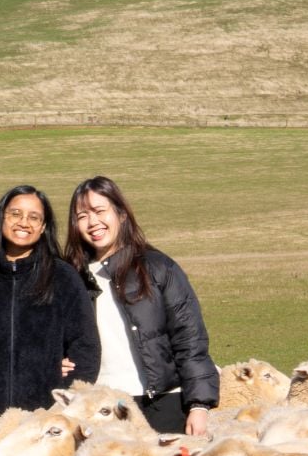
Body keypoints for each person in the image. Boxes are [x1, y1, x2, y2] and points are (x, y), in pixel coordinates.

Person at [0, 185, 102, 442]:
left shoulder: (63, 278)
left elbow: (86, 346)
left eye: (34, 217)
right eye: (15, 214)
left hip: (45, 427)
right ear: (1, 218)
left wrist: (66, 400)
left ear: (43, 226)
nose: (24, 222)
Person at [63, 175, 219, 436]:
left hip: (163, 403)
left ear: (121, 214)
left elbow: (190, 340)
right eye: (82, 216)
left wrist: (199, 405)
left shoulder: (158, 268)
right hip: (101, 408)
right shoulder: (70, 277)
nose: (93, 223)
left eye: (100, 211)